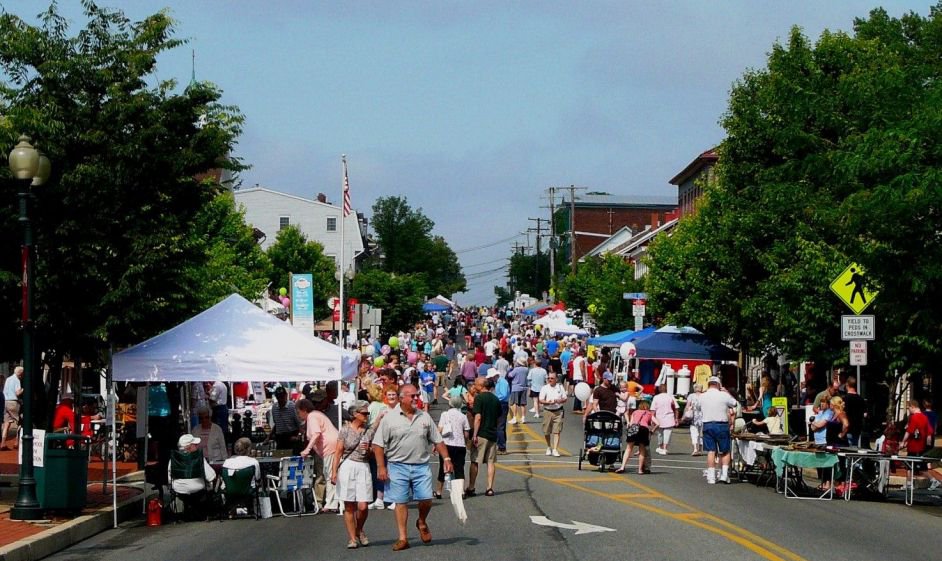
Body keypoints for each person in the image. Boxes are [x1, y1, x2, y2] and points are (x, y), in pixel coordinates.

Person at [372, 384, 453, 552]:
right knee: (401, 502)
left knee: (426, 499)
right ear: (402, 398)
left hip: (421, 465)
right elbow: (378, 445)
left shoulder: (424, 417)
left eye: (417, 396)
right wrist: (381, 467)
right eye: (413, 396)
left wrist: (446, 458)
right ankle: (403, 538)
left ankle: (421, 521)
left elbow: (438, 440)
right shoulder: (389, 418)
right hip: (397, 466)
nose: (416, 399)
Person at [331, 401, 374, 549]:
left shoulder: (369, 430)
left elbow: (375, 453)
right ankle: (352, 538)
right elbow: (338, 452)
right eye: (364, 413)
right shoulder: (345, 430)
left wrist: (369, 450)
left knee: (363, 506)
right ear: (355, 414)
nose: (367, 416)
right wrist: (334, 472)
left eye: (367, 413)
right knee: (349, 505)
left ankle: (359, 529)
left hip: (363, 465)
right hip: (348, 466)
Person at [298, 397, 340, 513]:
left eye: (299, 411)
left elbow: (316, 434)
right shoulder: (316, 415)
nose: (299, 415)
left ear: (304, 410)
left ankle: (332, 503)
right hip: (330, 446)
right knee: (329, 474)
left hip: (330, 447)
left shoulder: (312, 416)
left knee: (330, 475)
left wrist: (307, 449)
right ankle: (331, 502)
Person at [699, 376, 738, 484]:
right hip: (722, 424)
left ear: (709, 384)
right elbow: (734, 403)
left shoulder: (703, 396)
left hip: (707, 424)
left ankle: (711, 476)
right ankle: (724, 475)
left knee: (711, 451)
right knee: (725, 451)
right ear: (718, 385)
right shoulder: (723, 395)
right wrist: (726, 392)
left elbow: (697, 407)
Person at [168, 434, 217, 517]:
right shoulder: (198, 458)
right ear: (189, 447)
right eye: (195, 445)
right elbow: (211, 477)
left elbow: (170, 479)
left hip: (179, 490)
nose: (197, 446)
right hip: (197, 489)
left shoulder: (173, 460)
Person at [468, 377, 501, 497]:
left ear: (481, 386)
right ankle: (489, 487)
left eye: (476, 384)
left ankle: (471, 487)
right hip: (492, 433)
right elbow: (498, 417)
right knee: (491, 461)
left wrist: (475, 434)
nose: (474, 385)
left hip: (481, 433)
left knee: (475, 461)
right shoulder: (495, 399)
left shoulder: (479, 398)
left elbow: (478, 417)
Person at [434, 394, 470, 498]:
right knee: (459, 468)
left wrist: (435, 443)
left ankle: (439, 491)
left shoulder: (445, 414)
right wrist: (465, 440)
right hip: (459, 445)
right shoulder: (463, 416)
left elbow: (439, 429)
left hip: (446, 444)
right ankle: (461, 491)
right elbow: (466, 432)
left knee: (443, 467)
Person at [616, 400, 657, 474]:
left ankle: (622, 467)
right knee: (642, 450)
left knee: (628, 448)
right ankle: (640, 470)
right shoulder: (649, 413)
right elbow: (658, 423)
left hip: (634, 428)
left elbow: (631, 423)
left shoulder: (635, 412)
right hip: (644, 430)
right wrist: (653, 430)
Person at [538, 372, 567, 456]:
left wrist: (559, 401)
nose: (550, 380)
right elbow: (541, 400)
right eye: (549, 378)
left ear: (556, 379)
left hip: (558, 411)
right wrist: (548, 402)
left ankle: (555, 449)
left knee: (557, 431)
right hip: (548, 411)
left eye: (552, 378)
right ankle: (548, 447)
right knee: (546, 431)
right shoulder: (544, 388)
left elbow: (565, 399)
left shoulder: (560, 387)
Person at [267, 386, 302, 454]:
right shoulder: (274, 407)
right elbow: (276, 424)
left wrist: (298, 436)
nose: (280, 399)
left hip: (291, 437)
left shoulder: (292, 406)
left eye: (282, 397)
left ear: (286, 396)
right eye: (278, 397)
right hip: (280, 438)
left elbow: (299, 423)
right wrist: (269, 437)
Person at [650, 384, 678, 455]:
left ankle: (660, 447)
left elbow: (653, 409)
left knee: (660, 434)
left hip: (659, 418)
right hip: (669, 418)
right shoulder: (671, 396)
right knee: (667, 434)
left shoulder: (656, 397)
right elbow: (676, 408)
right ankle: (665, 448)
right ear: (666, 389)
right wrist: (676, 418)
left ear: (659, 390)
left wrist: (652, 419)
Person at [2, 367, 23, 450]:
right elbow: (17, 393)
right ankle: (17, 442)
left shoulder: (8, 379)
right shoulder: (17, 380)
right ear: (20, 373)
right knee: (20, 422)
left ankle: (3, 443)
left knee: (6, 423)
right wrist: (23, 389)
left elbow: (4, 391)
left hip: (6, 402)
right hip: (13, 402)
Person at [842, 376, 866, 447]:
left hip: (848, 429)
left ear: (847, 385)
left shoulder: (846, 398)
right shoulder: (861, 399)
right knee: (854, 449)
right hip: (857, 428)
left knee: (847, 450)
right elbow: (865, 414)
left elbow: (844, 413)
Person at [507, 355, 529, 424]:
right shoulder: (526, 369)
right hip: (524, 387)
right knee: (523, 404)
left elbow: (510, 375)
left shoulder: (516, 369)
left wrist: (511, 369)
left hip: (516, 387)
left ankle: (514, 417)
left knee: (514, 403)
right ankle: (523, 418)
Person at [685, 384, 704, 455]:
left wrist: (686, 414)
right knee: (702, 434)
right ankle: (700, 450)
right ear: (701, 389)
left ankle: (695, 449)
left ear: (694, 389)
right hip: (703, 417)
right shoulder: (704, 396)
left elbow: (687, 406)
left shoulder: (691, 396)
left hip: (694, 417)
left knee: (694, 433)